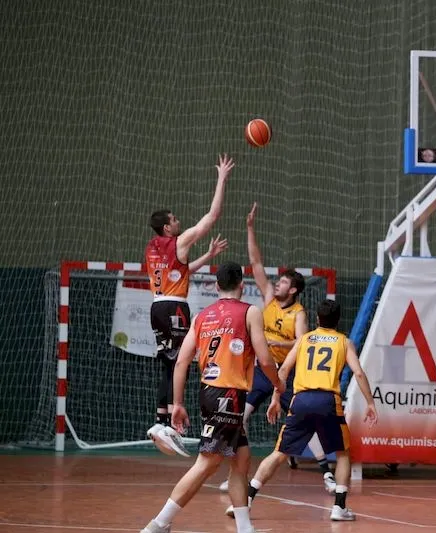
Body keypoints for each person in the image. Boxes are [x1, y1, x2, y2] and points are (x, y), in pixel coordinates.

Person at [140, 261, 284, 533]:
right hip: (228, 394)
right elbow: (265, 359)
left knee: (242, 459)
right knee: (207, 464)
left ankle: (245, 528)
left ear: (217, 286)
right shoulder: (250, 312)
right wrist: (279, 384)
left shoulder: (202, 316)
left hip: (210, 392)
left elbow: (181, 363)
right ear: (243, 285)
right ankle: (158, 524)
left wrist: (178, 404)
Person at [218, 203, 335, 494]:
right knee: (239, 417)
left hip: (286, 376)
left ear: (293, 290)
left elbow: (302, 342)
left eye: (283, 281)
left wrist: (274, 342)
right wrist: (249, 228)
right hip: (259, 371)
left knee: (302, 424)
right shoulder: (269, 297)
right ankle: (236, 475)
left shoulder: (299, 314)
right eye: (279, 280)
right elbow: (256, 263)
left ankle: (327, 473)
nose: (277, 283)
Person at [225, 299, 378, 521]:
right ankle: (339, 507)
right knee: (343, 453)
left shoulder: (305, 339)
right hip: (328, 400)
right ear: (339, 320)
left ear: (317, 319)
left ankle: (246, 500)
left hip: (300, 399)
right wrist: (371, 403)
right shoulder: (344, 342)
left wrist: (276, 398)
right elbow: (359, 373)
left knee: (279, 453)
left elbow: (285, 369)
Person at [145, 154, 235, 456]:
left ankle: (160, 421)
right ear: (167, 228)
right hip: (173, 310)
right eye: (174, 220)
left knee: (167, 365)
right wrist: (221, 178)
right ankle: (171, 423)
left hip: (157, 307)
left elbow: (179, 270)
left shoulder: (153, 247)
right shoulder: (178, 241)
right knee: (178, 363)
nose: (178, 221)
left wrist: (207, 258)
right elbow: (212, 216)